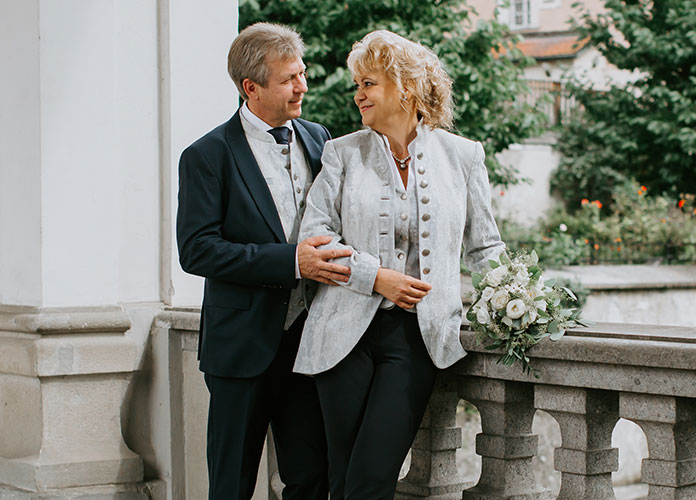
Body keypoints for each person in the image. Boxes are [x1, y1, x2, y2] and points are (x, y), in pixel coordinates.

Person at [292, 30, 506, 499]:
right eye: (357, 85)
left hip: (417, 337)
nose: (358, 95)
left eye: (367, 83)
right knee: (344, 478)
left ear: (403, 87)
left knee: (371, 478)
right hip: (341, 335)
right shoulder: (342, 153)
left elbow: (485, 247)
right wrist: (376, 277)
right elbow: (315, 237)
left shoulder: (463, 156)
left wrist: (519, 302)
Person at [176, 22, 351, 500]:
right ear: (250, 88)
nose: (303, 86)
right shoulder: (207, 155)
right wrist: (291, 261)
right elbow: (197, 250)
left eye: (302, 73)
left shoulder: (320, 139)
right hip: (241, 348)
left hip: (310, 342)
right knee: (231, 483)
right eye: (289, 79)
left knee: (311, 479)